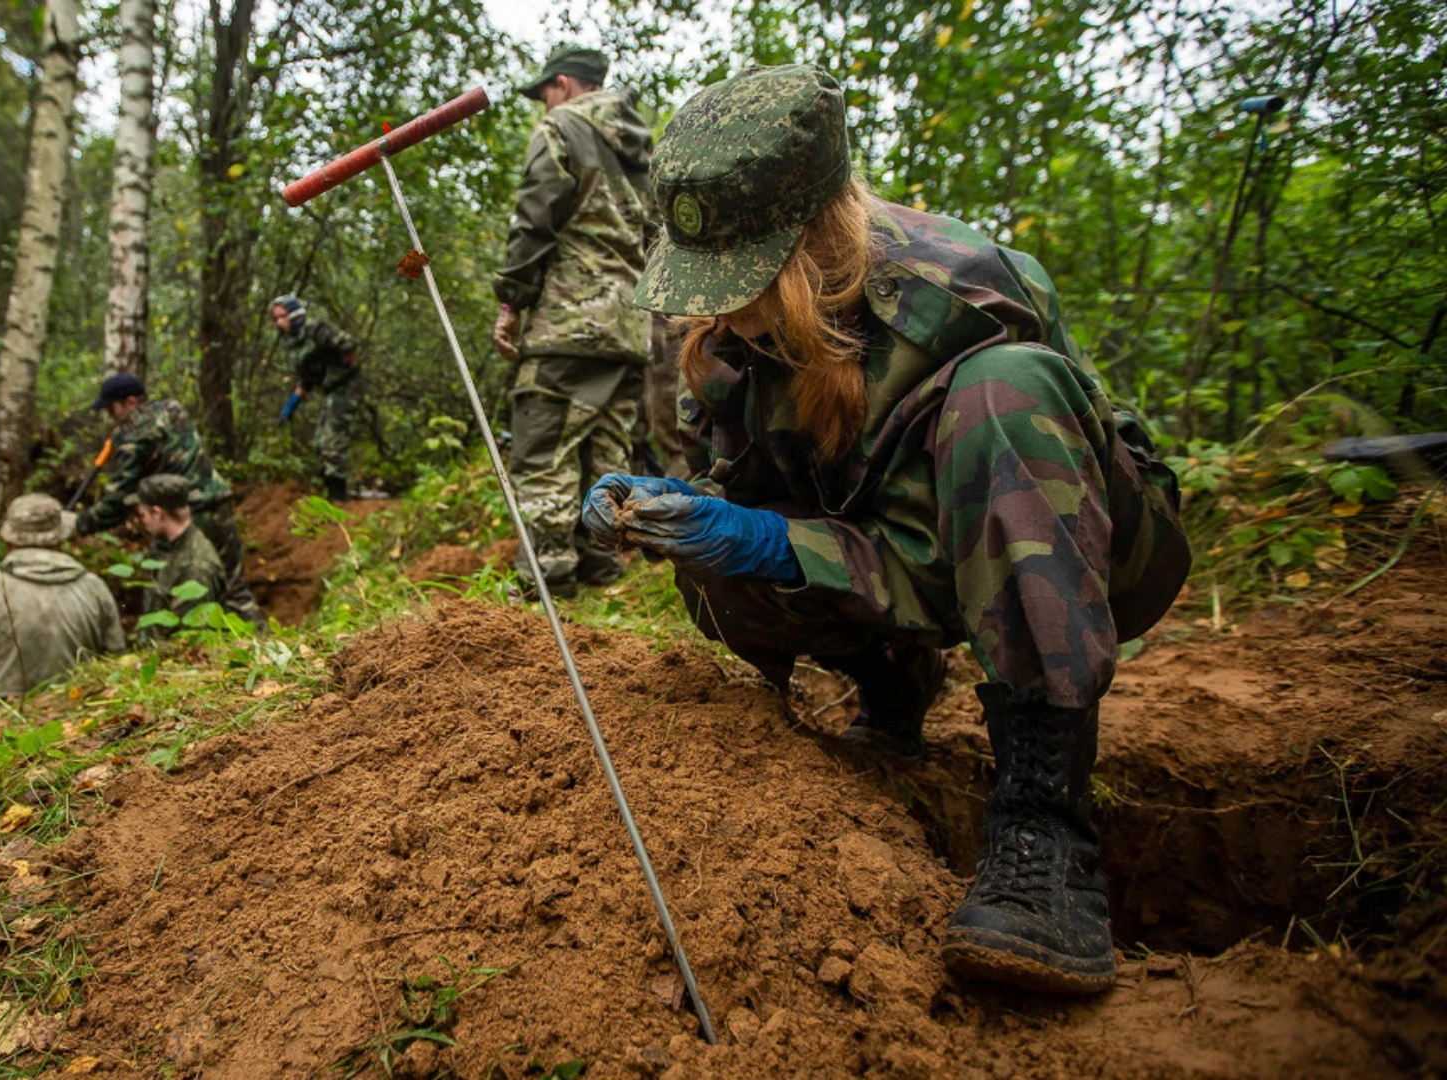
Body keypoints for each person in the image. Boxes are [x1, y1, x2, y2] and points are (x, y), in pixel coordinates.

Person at [584, 65, 1191, 995]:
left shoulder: (965, 291)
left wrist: (775, 542)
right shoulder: (730, 347)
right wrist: (681, 510)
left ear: (818, 235)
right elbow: (750, 491)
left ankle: (1045, 824)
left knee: (1008, 392)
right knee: (714, 565)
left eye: (745, 275)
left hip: (1082, 547)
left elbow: (959, 538)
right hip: (910, 556)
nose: (724, 305)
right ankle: (893, 680)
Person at [492, 45, 654, 598]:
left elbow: (535, 219)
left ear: (562, 84)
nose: (542, 105)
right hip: (631, 325)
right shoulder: (642, 146)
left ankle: (547, 580)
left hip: (569, 320)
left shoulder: (561, 128)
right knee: (608, 449)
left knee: (542, 449)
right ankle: (604, 567)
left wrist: (512, 301)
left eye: (543, 94)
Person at [73, 373, 268, 632]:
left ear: (130, 401)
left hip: (183, 516)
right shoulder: (172, 408)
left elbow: (118, 500)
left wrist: (79, 523)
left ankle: (178, 646)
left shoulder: (132, 435)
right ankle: (264, 648)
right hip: (217, 500)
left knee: (171, 586)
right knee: (234, 586)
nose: (111, 416)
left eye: (112, 408)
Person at [0, 493, 124, 707]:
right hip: (78, 720)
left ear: (8, 539)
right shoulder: (94, 588)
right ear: (61, 538)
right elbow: (115, 658)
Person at [270, 295, 362, 503]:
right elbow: (306, 381)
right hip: (330, 391)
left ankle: (338, 499)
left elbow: (348, 344)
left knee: (333, 443)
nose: (279, 323)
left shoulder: (315, 330)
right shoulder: (294, 344)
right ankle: (332, 491)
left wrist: (342, 371)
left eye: (282, 317)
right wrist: (288, 410)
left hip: (345, 388)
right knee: (320, 443)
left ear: (294, 315)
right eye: (276, 319)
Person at [130, 473, 229, 641]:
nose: (142, 521)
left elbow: (190, 644)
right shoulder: (164, 546)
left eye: (143, 515)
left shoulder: (195, 569)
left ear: (157, 512)